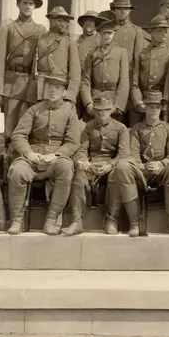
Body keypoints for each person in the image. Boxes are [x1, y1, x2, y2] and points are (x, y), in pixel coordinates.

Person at [8, 75, 80, 235]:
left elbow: (73, 142)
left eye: (58, 87)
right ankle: (16, 221)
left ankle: (51, 221)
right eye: (51, 87)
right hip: (33, 157)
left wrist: (56, 155)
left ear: (64, 92)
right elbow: (18, 135)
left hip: (55, 160)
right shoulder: (34, 109)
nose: (53, 90)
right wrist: (28, 153)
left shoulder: (70, 112)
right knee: (17, 170)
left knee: (66, 167)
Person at [114, 91, 169, 236]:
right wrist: (143, 166)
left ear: (161, 109)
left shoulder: (168, 129)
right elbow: (132, 155)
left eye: (157, 107)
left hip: (160, 172)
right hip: (141, 172)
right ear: (145, 108)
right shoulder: (136, 129)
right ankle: (134, 223)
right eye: (151, 107)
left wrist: (161, 164)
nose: (154, 110)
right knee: (122, 166)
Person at [62, 97, 130, 236]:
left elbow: (123, 154)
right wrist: (85, 162)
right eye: (98, 111)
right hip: (92, 164)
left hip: (111, 165)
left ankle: (112, 220)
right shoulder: (89, 126)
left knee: (118, 175)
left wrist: (110, 165)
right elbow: (82, 150)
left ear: (111, 110)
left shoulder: (120, 128)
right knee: (79, 175)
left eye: (105, 110)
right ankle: (77, 221)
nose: (102, 114)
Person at [0, 0, 46, 144]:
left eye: (31, 4)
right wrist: (0, 90)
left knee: (28, 128)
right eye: (25, 3)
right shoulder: (8, 28)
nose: (28, 6)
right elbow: (0, 60)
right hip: (11, 83)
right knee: (10, 129)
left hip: (30, 84)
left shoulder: (40, 30)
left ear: (35, 8)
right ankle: (8, 163)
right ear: (18, 4)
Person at [81, 11, 129, 122]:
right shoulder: (92, 53)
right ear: (99, 33)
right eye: (104, 33)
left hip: (112, 101)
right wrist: (88, 104)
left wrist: (117, 106)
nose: (107, 36)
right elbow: (85, 81)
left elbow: (124, 83)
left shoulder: (121, 52)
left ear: (114, 33)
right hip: (95, 100)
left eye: (110, 33)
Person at [131, 15, 169, 125]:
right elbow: (135, 83)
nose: (164, 34)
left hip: (162, 99)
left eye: (166, 31)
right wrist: (138, 101)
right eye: (160, 31)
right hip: (145, 99)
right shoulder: (142, 53)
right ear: (152, 32)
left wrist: (166, 102)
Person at [109, 0, 145, 125]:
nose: (122, 11)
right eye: (119, 8)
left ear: (130, 10)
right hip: (113, 80)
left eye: (125, 8)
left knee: (133, 115)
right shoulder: (109, 30)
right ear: (114, 10)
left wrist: (135, 84)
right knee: (114, 115)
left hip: (130, 78)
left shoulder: (136, 31)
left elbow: (137, 59)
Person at [33, 6, 80, 106]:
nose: (63, 23)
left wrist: (70, 97)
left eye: (66, 21)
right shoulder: (40, 40)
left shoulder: (70, 43)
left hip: (60, 90)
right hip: (41, 90)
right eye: (59, 20)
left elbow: (75, 74)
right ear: (51, 20)